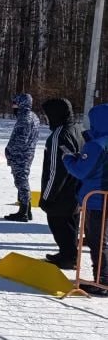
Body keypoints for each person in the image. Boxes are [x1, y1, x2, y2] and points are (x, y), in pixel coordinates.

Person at [62, 103, 108, 296]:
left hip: (97, 200)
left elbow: (81, 171)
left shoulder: (96, 145)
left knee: (97, 240)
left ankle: (103, 280)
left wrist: (68, 159)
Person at [39, 98, 83, 269]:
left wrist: (48, 196)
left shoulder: (59, 134)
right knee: (71, 222)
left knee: (58, 221)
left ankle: (68, 256)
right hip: (76, 187)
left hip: (62, 190)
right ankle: (70, 254)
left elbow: (55, 169)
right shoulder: (76, 129)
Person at [4, 93, 41, 221]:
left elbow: (20, 140)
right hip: (27, 153)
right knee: (22, 180)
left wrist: (9, 151)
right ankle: (27, 209)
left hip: (20, 155)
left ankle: (24, 211)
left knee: (21, 181)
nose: (13, 106)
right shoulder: (33, 117)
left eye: (15, 103)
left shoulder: (25, 118)